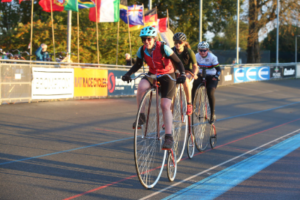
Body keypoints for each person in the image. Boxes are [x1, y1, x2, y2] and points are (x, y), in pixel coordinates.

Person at [122, 26, 186, 150]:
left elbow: (178, 62)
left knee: (165, 105)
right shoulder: (142, 50)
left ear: (154, 38)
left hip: (167, 75)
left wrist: (182, 74)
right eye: (143, 39)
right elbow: (138, 65)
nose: (146, 41)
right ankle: (141, 116)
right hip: (153, 75)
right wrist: (128, 74)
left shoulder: (163, 48)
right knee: (141, 86)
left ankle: (168, 136)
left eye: (148, 39)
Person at [192, 41, 221, 124]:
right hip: (201, 75)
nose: (202, 52)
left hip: (211, 76)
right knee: (193, 84)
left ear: (207, 50)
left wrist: (216, 76)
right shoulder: (196, 56)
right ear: (198, 50)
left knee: (210, 91)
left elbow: (218, 69)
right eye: (200, 50)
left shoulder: (212, 57)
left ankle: (212, 114)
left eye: (204, 50)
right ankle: (192, 104)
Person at [172, 32, 198, 115]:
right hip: (176, 72)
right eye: (176, 42)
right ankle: (169, 114)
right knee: (171, 88)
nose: (178, 44)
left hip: (187, 71)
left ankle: (189, 104)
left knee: (185, 81)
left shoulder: (189, 52)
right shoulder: (171, 50)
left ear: (184, 43)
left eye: (180, 42)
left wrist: (195, 74)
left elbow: (195, 66)